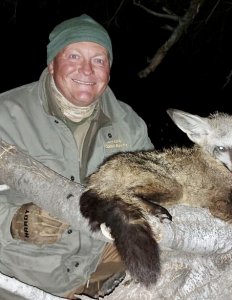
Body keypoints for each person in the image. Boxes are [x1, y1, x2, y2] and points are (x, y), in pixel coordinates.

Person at [0, 14, 154, 299]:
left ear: (108, 69)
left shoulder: (128, 123)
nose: (87, 70)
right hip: (20, 277)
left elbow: (153, 189)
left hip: (97, 263)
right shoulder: (6, 115)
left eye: (98, 60)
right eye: (73, 56)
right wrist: (13, 222)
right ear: (52, 63)